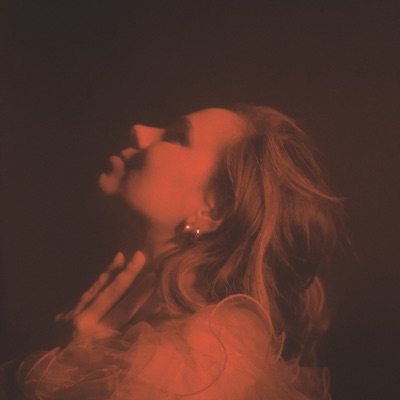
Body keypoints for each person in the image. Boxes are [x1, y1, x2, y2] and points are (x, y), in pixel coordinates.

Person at [17, 105, 343, 399]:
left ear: (215, 210)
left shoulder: (199, 371)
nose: (138, 130)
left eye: (177, 137)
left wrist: (59, 376)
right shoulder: (131, 338)